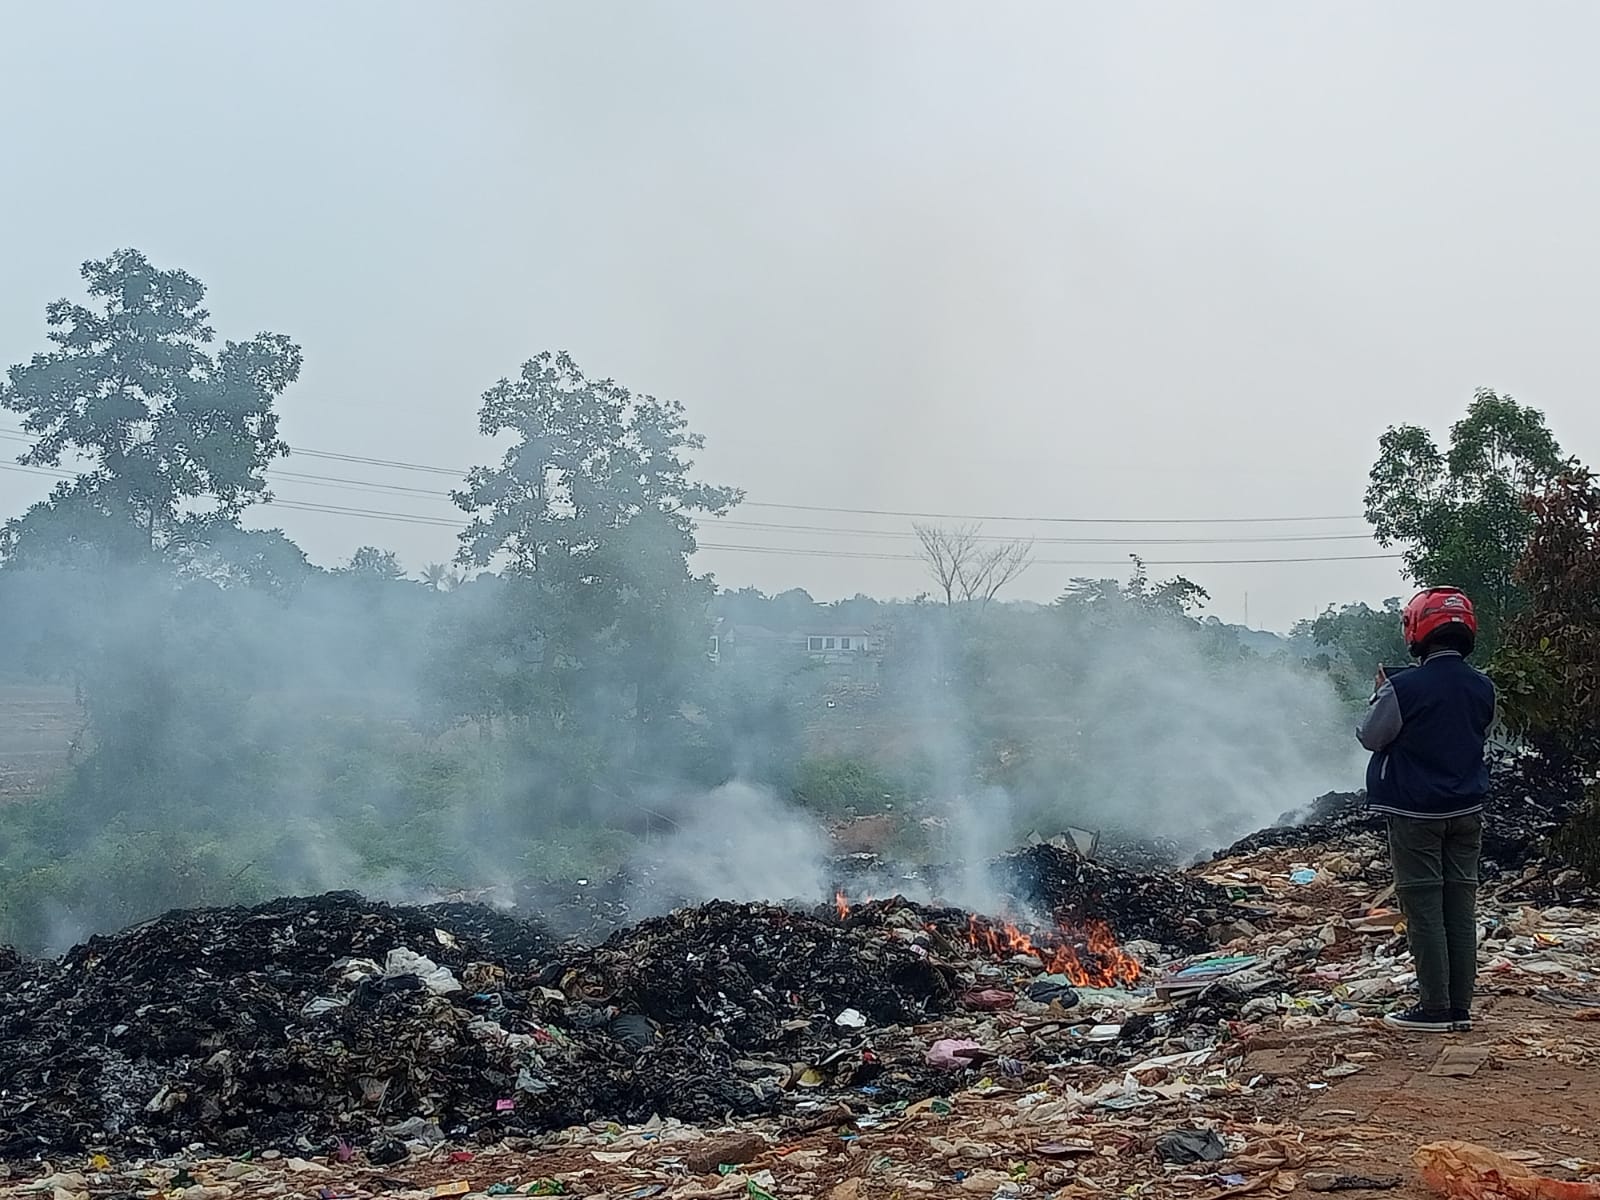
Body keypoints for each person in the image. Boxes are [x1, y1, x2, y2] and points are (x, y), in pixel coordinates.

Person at [1356, 586, 1496, 1033]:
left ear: (1417, 630)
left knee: (1424, 909)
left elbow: (1371, 737)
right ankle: (1460, 1006)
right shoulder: (1483, 686)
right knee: (1460, 905)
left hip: (1416, 814)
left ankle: (1434, 1008)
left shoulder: (1402, 687)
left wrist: (1380, 694)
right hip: (1467, 810)